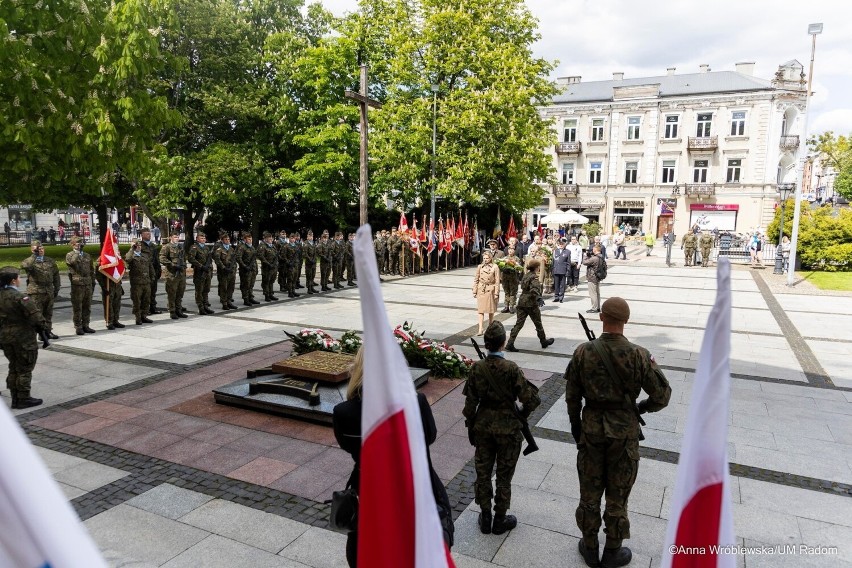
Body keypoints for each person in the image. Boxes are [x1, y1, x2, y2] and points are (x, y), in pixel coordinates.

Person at [565, 297, 671, 568]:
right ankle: (613, 550)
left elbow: (572, 397)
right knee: (618, 493)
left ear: (602, 318)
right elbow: (662, 395)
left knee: (589, 491)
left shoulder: (583, 351)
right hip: (624, 434)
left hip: (591, 430)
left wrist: (577, 427)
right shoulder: (639, 354)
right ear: (626, 320)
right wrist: (642, 407)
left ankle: (589, 547)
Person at [333, 347, 453, 567]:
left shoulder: (344, 412)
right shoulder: (416, 403)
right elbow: (430, 436)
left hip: (369, 493)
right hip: (415, 489)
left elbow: (347, 446)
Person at [463, 321, 540, 535]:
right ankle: (500, 518)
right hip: (509, 430)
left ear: (486, 344)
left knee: (483, 473)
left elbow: (470, 405)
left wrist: (471, 425)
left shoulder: (477, 368)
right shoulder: (512, 368)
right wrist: (520, 416)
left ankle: (485, 515)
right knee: (504, 476)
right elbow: (532, 399)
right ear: (503, 344)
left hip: (484, 428)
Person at [0, 266, 46, 409]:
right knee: (25, 368)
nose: (20, 280)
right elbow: (37, 318)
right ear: (13, 281)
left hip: (6, 336)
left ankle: (15, 397)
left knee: (13, 366)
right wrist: (42, 328)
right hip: (23, 338)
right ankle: (23, 398)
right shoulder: (21, 297)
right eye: (19, 277)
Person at [506, 259, 554, 351]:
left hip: (522, 301)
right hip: (531, 303)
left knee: (518, 324)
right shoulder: (534, 277)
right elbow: (534, 289)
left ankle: (510, 343)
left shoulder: (526, 275)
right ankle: (543, 341)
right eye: (538, 267)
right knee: (538, 323)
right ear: (536, 268)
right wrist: (539, 298)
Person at [20, 241, 60, 339]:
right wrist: (34, 255)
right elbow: (25, 266)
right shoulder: (29, 261)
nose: (40, 250)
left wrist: (57, 287)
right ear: (32, 249)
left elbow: (56, 275)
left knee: (48, 313)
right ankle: (36, 334)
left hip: (49, 290)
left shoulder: (50, 261)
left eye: (41, 248)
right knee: (36, 314)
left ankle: (47, 332)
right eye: (38, 248)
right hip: (36, 291)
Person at [66, 236, 96, 335]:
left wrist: (93, 281)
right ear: (73, 245)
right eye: (77, 243)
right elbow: (73, 263)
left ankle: (86, 325)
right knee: (78, 306)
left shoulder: (87, 255)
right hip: (77, 284)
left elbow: (91, 269)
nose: (80, 245)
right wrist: (77, 253)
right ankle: (78, 326)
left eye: (81, 243)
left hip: (87, 283)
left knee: (87, 305)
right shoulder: (70, 255)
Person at [160, 231, 188, 319]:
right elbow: (162, 258)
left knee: (180, 293)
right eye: (175, 237)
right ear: (170, 237)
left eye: (178, 237)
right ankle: (172, 311)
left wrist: (183, 266)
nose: (177, 238)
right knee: (172, 293)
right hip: (172, 274)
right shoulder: (167, 247)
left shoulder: (180, 247)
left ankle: (179, 310)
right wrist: (172, 265)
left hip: (181, 274)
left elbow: (183, 258)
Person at [125, 239, 153, 325]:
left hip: (146, 282)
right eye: (137, 246)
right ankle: (138, 317)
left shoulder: (145, 255)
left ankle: (144, 315)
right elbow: (127, 259)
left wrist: (152, 277)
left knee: (146, 300)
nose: (139, 247)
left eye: (140, 246)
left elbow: (150, 267)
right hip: (137, 283)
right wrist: (131, 249)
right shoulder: (131, 256)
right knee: (137, 301)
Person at [472, 250, 501, 336]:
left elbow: (497, 281)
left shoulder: (495, 267)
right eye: (484, 258)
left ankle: (490, 326)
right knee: (480, 310)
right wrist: (474, 290)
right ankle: (480, 328)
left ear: (490, 258)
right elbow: (476, 279)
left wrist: (496, 292)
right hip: (481, 289)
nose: (485, 260)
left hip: (490, 290)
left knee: (490, 310)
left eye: (487, 258)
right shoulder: (480, 267)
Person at [95, 251, 125, 330]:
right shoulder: (103, 258)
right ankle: (109, 321)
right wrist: (103, 286)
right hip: (108, 285)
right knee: (108, 304)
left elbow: (120, 269)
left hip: (117, 284)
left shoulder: (117, 257)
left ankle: (116, 320)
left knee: (117, 303)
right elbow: (98, 273)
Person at [188, 231, 216, 313]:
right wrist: (201, 266)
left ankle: (205, 305)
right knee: (199, 290)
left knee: (206, 289)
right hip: (199, 272)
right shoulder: (194, 247)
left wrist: (209, 268)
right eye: (201, 238)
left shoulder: (206, 248)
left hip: (207, 272)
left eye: (204, 238)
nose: (203, 239)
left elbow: (209, 259)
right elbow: (191, 259)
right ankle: (200, 307)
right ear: (197, 239)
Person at [139, 228, 163, 314]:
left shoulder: (153, 246)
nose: (149, 235)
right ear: (142, 235)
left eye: (149, 234)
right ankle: (145, 309)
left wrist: (159, 269)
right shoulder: (139, 246)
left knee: (153, 291)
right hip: (145, 272)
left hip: (154, 271)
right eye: (147, 234)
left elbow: (157, 259)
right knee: (145, 292)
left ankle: (153, 307)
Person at [213, 231, 238, 310]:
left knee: (231, 287)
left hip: (231, 271)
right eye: (226, 239)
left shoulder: (231, 249)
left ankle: (229, 301)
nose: (228, 240)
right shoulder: (219, 250)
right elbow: (217, 260)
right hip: (223, 272)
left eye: (228, 239)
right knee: (224, 287)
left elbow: (234, 260)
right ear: (222, 240)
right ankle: (224, 303)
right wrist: (224, 268)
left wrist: (233, 268)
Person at [236, 232, 260, 305]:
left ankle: (250, 297)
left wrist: (256, 269)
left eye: (251, 239)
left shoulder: (252, 247)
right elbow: (238, 258)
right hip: (245, 269)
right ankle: (245, 298)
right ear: (245, 240)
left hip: (252, 269)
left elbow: (254, 259)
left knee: (251, 284)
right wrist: (244, 266)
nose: (250, 240)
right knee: (245, 284)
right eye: (249, 239)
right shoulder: (242, 247)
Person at [257, 231, 279, 302]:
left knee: (272, 281)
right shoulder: (262, 246)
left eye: (271, 238)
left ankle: (271, 293)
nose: (271, 240)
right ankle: (266, 295)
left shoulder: (272, 246)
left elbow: (276, 255)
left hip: (273, 267)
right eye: (269, 239)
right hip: (267, 267)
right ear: (265, 239)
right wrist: (268, 264)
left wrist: (275, 263)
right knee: (266, 281)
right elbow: (261, 256)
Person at [499, 246, 521, 314]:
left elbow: (519, 269)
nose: (510, 251)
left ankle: (511, 306)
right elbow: (500, 267)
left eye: (512, 249)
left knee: (513, 292)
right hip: (505, 278)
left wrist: (514, 263)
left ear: (514, 251)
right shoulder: (504, 258)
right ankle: (506, 306)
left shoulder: (517, 259)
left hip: (513, 278)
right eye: (509, 249)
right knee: (506, 292)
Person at [582, 245, 603, 314]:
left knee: (593, 294)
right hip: (598, 277)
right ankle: (598, 307)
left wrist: (585, 255)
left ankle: (594, 308)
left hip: (592, 278)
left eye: (593, 249)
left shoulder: (594, 258)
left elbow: (585, 262)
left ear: (596, 250)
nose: (592, 250)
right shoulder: (601, 256)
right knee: (597, 293)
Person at [552, 237, 571, 303]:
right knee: (556, 284)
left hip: (563, 270)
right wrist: (553, 270)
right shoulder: (555, 251)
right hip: (556, 270)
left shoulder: (567, 252)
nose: (561, 245)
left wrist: (568, 271)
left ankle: (561, 297)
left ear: (564, 244)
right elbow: (553, 262)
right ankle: (556, 297)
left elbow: (568, 262)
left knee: (562, 285)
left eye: (562, 244)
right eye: (560, 244)